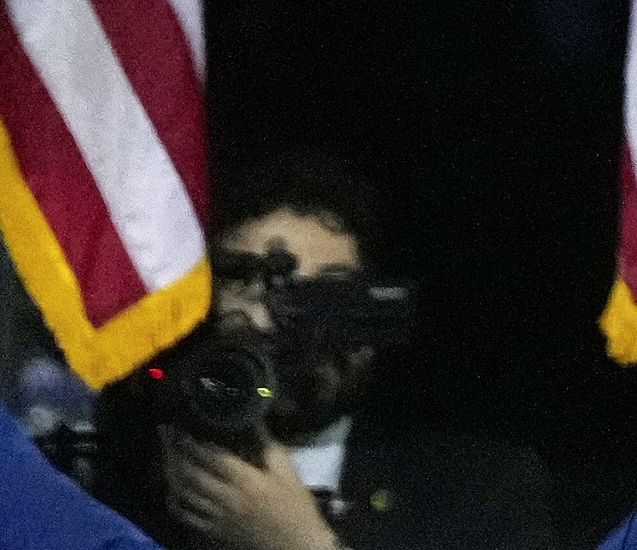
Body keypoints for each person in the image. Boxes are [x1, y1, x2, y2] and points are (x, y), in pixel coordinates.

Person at [92, 155, 553, 550]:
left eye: (325, 297)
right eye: (244, 280)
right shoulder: (118, 468)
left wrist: (300, 542)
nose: (271, 320)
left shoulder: (474, 490)